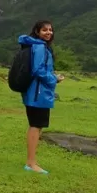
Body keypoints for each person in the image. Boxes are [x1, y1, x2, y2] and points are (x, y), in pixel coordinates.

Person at [17, 20, 64, 174]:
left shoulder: (39, 46)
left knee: (37, 126)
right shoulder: (39, 47)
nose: (49, 33)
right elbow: (37, 70)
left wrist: (52, 76)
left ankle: (31, 162)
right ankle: (30, 164)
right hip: (37, 94)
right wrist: (54, 79)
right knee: (35, 126)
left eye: (50, 30)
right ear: (37, 32)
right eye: (45, 30)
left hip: (38, 92)